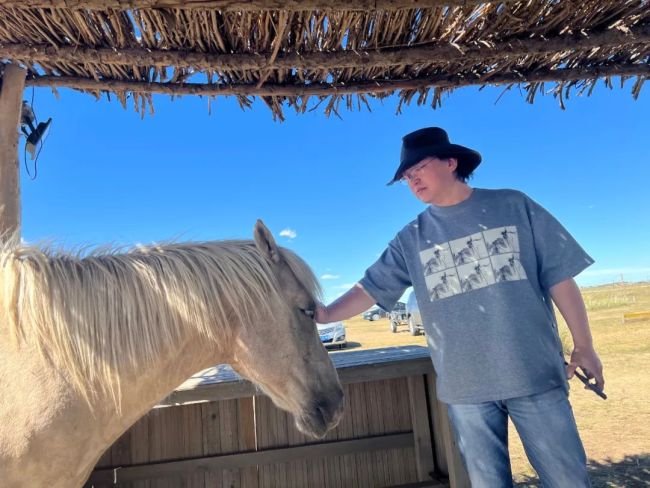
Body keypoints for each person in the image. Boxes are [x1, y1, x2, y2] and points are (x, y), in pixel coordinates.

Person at [316, 127, 604, 487]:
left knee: (568, 481)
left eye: (418, 167)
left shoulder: (513, 205)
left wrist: (584, 345)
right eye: (406, 176)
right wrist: (324, 314)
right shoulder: (411, 238)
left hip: (535, 376)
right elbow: (369, 288)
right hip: (465, 391)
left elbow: (560, 277)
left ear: (451, 162)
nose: (412, 180)